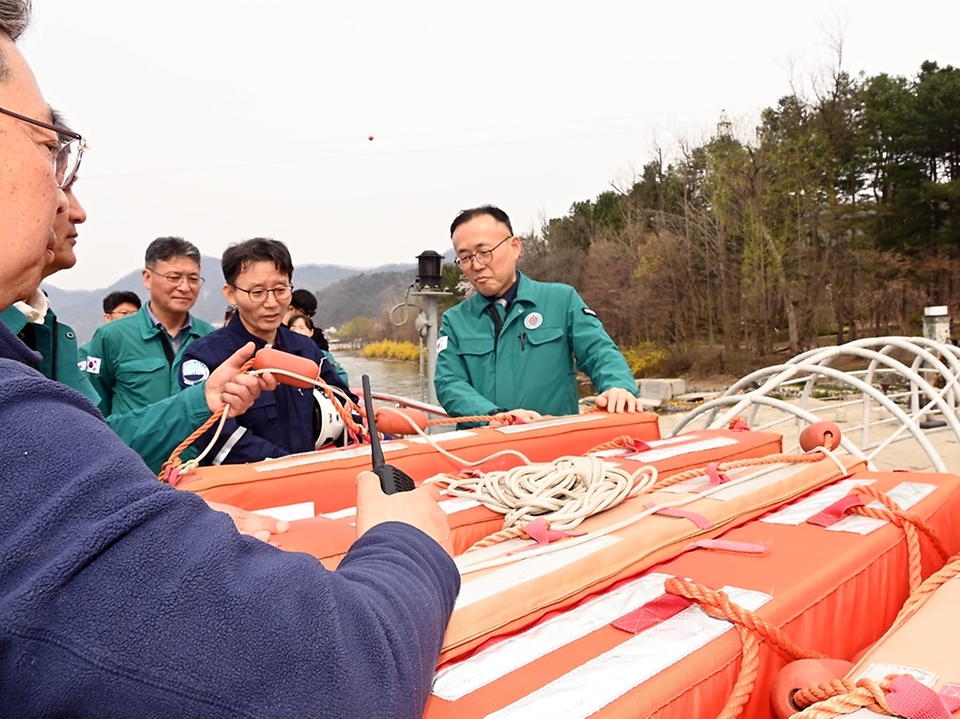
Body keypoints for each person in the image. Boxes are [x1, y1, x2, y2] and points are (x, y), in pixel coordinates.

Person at [0, 5, 459, 716]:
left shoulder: (308, 350)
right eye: (52, 148)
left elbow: (341, 407)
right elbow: (325, 676)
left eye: (282, 288)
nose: (74, 204)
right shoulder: (185, 358)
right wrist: (410, 542)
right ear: (231, 293)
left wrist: (426, 424)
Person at [435, 205, 640, 422]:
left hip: (555, 445)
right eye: (465, 258)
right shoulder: (455, 321)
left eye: (484, 253)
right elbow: (449, 383)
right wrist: (495, 416)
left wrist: (619, 386)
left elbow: (599, 352)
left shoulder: (561, 300)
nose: (475, 265)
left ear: (514, 247)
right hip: (484, 447)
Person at [180, 238, 356, 463]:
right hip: (245, 487)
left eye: (280, 289)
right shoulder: (204, 356)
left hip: (306, 477)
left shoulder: (304, 347)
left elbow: (342, 400)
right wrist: (283, 464)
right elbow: (213, 434)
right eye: (257, 292)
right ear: (231, 293)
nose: (272, 302)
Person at [84, 236, 215, 415]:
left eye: (193, 279)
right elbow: (96, 404)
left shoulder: (210, 337)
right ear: (147, 278)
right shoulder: (112, 336)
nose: (185, 287)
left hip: (197, 443)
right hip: (128, 443)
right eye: (174, 277)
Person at [287, 310, 350, 384]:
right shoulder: (283, 354)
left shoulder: (323, 355)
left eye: (302, 328)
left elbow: (342, 378)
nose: (297, 332)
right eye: (293, 329)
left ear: (311, 332)